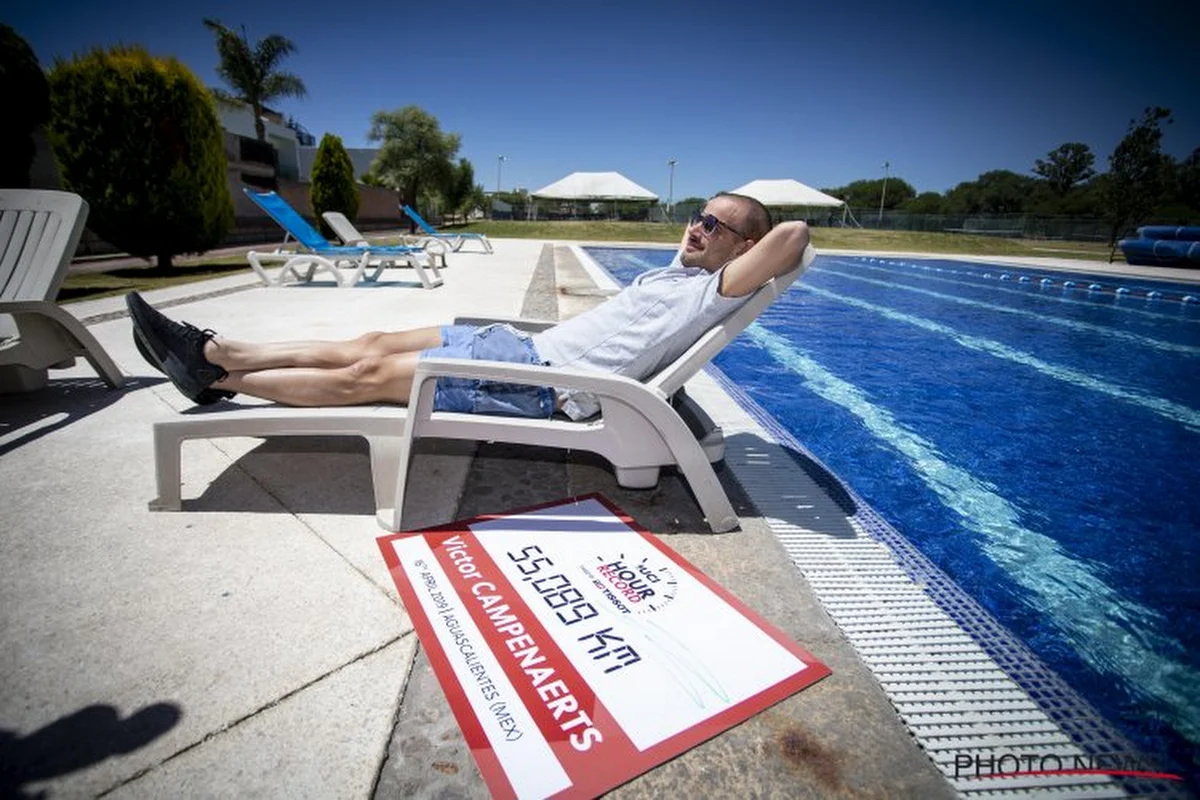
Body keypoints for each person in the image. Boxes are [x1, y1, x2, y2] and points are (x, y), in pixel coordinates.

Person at [126, 192, 810, 418]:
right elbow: (726, 242)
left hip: (534, 385)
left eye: (714, 226)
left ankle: (213, 374)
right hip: (514, 349)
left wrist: (747, 245)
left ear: (744, 247)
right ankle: (214, 349)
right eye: (696, 215)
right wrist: (710, 237)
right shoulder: (677, 274)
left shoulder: (708, 294)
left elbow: (793, 237)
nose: (695, 228)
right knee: (367, 343)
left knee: (364, 381)